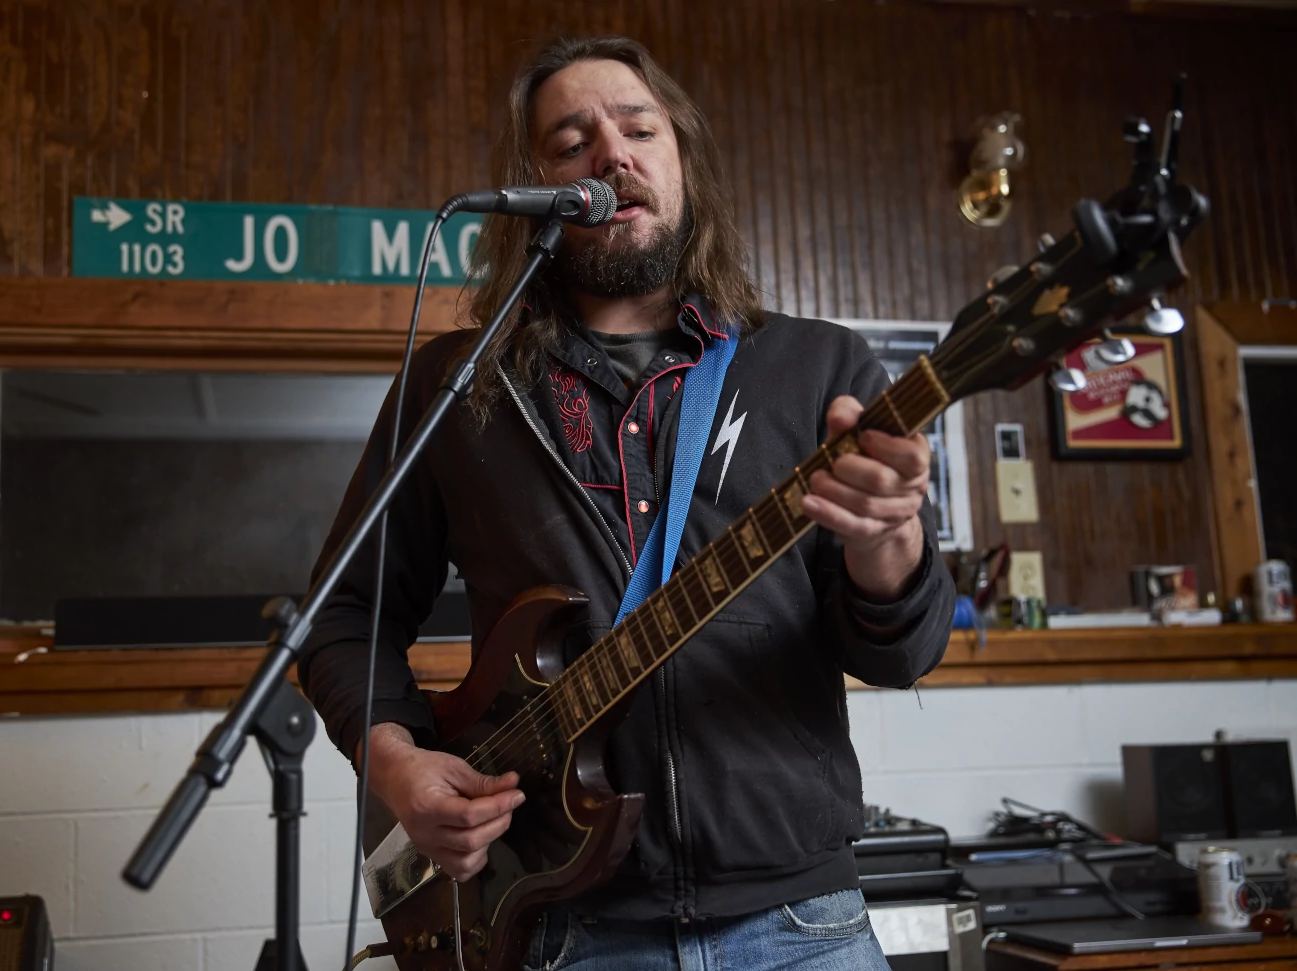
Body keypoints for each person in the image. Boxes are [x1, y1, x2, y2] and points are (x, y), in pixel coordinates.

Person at [299, 35, 955, 971]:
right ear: (534, 195)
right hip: (557, 927)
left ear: (680, 160)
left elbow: (902, 655)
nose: (612, 154)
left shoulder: (817, 368)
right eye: (571, 144)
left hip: (801, 925)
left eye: (639, 129)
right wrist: (396, 759)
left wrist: (888, 542)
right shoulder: (458, 387)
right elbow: (346, 613)